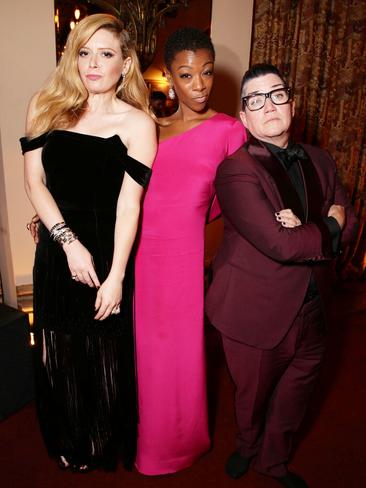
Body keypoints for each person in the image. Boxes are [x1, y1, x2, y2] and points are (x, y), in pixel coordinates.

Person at [205, 63, 357, 488]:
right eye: (254, 99)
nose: (267, 105)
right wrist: (328, 223)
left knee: (295, 395)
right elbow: (282, 245)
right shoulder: (235, 171)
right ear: (245, 118)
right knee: (251, 398)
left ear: (292, 103)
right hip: (254, 309)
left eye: (276, 94)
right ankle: (247, 446)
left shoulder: (322, 159)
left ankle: (273, 461)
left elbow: (354, 222)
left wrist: (313, 226)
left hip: (316, 306)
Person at [21, 13, 156, 472]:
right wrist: (65, 242)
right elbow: (35, 183)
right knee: (57, 346)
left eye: (106, 54)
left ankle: (98, 443)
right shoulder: (45, 104)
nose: (93, 64)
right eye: (84, 52)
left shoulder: (139, 123)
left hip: (108, 251)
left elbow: (129, 206)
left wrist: (117, 275)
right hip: (58, 250)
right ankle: (65, 437)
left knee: (102, 354)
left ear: (126, 63)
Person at [134, 27, 247, 475]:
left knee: (180, 355)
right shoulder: (150, 127)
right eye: (185, 75)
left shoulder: (229, 130)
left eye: (205, 73)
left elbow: (234, 203)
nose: (198, 85)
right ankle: (149, 434)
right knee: (147, 353)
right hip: (141, 257)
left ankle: (180, 443)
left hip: (183, 262)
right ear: (169, 78)